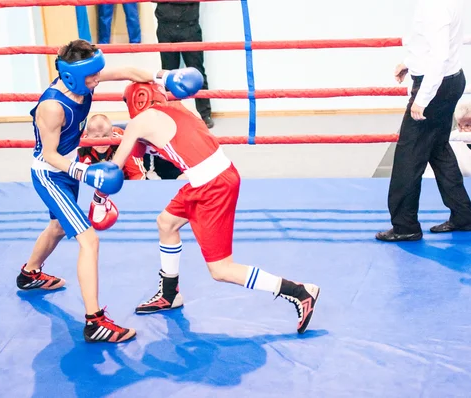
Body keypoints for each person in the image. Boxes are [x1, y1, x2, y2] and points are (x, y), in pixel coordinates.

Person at [16, 39, 201, 343]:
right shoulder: (52, 107)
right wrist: (86, 171)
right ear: (72, 75)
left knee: (58, 227)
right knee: (89, 241)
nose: (97, 80)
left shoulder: (85, 79)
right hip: (51, 173)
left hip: (67, 169)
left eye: (97, 72)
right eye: (91, 76)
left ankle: (29, 274)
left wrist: (164, 78)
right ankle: (94, 322)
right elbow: (49, 154)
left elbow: (129, 71)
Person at [106, 81, 320, 334]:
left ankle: (298, 291)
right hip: (214, 175)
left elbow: (113, 169)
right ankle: (169, 294)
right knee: (166, 223)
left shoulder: (139, 123)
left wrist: (97, 197)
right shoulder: (179, 107)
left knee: (221, 269)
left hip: (212, 186)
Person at [376, 0, 471, 242]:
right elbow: (430, 45)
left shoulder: (434, 6)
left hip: (436, 87)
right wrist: (410, 63)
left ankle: (405, 226)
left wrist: (422, 98)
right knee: (438, 150)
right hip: (450, 80)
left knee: (408, 157)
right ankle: (463, 215)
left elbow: (440, 54)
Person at [154, 1, 214, 129]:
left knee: (197, 70)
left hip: (190, 26)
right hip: (166, 26)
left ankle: (204, 114)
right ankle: (171, 113)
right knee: (167, 74)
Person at [423, 100, 471, 178]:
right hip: (458, 187)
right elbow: (430, 172)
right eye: (459, 125)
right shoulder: (449, 140)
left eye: (468, 126)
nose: (462, 130)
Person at [78, 114, 147, 180]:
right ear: (88, 136)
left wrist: (132, 191)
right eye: (96, 137)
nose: (101, 142)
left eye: (105, 136)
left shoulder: (124, 141)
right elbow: (71, 175)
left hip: (123, 183)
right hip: (90, 183)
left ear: (112, 134)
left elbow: (137, 174)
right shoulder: (78, 144)